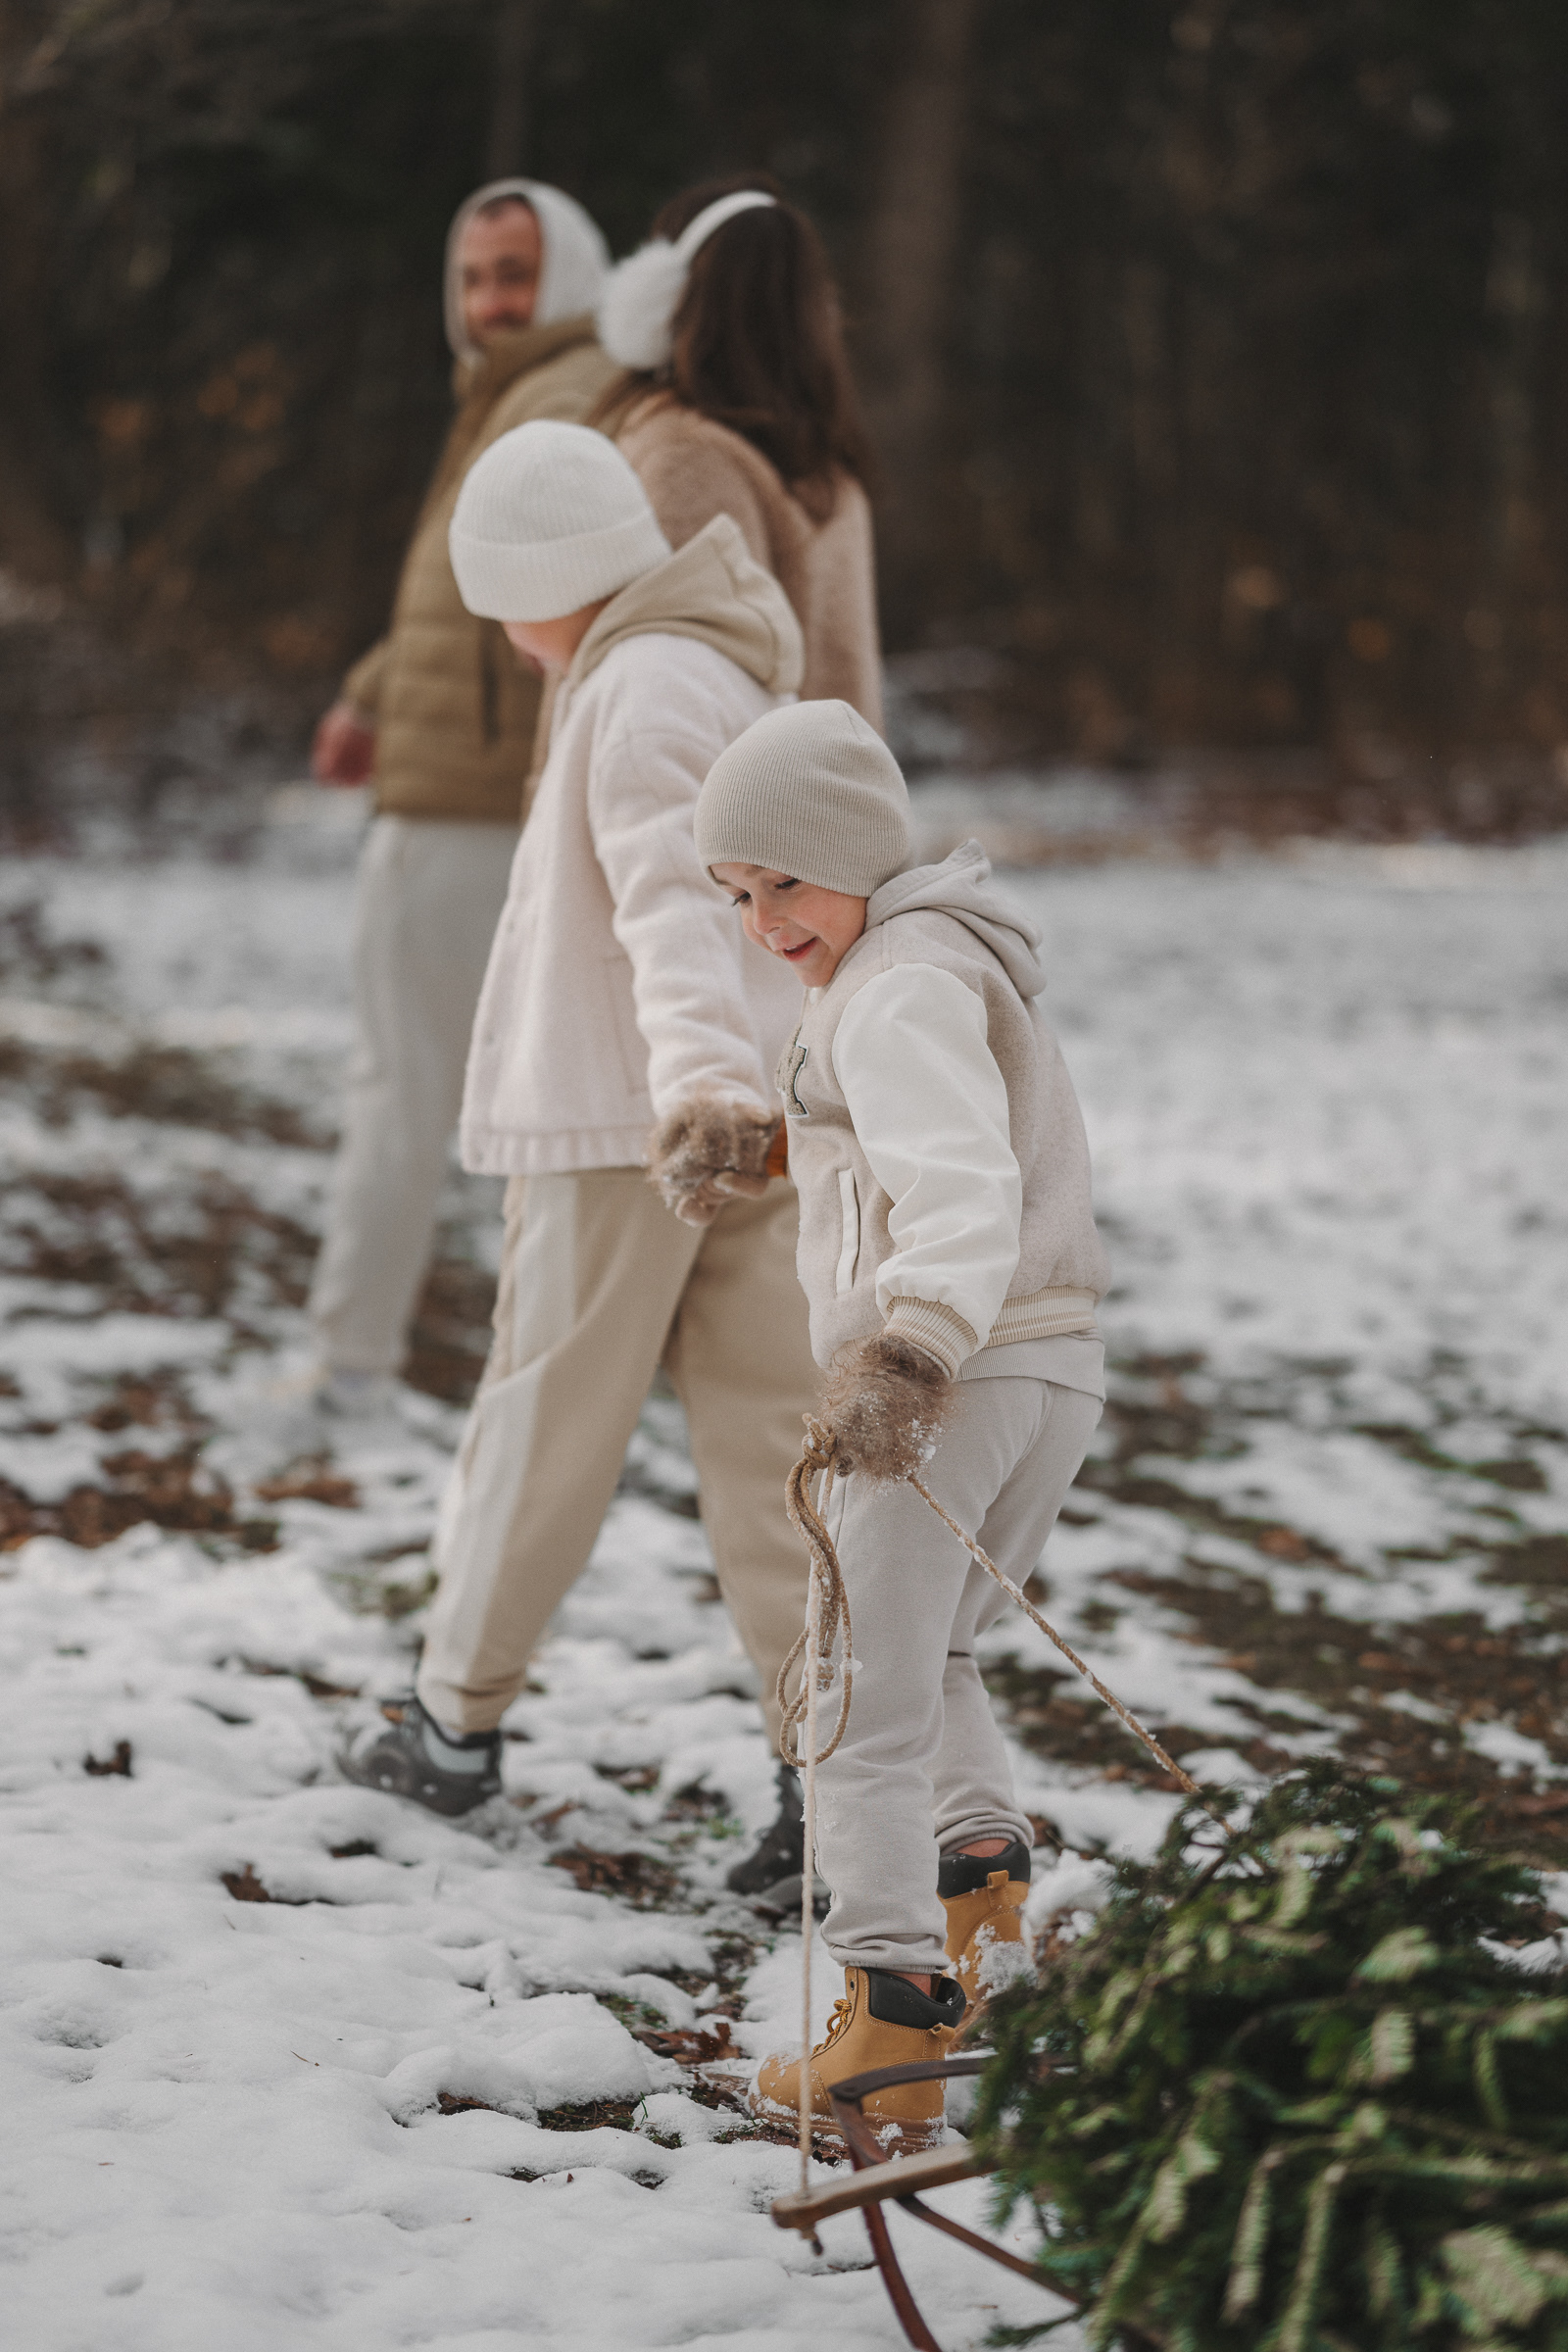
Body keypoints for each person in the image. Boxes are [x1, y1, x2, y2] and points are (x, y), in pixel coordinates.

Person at [342, 421, 817, 1837]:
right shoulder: (718, 664)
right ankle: (831, 1769)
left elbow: (675, 903)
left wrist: (700, 1088)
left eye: (507, 611)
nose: (510, 644)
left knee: (541, 1426)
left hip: (641, 1128)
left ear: (549, 581)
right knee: (783, 1452)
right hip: (758, 1113)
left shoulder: (639, 685)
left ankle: (451, 1723)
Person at [676, 698, 1111, 2155]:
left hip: (950, 1372)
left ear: (856, 850)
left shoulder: (898, 983)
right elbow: (896, 1139)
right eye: (736, 894)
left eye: (784, 881)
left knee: (850, 1696)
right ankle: (984, 1930)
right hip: (1047, 1368)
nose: (763, 923)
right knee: (937, 1656)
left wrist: (908, 1352)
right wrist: (766, 1145)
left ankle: (889, 2024)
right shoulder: (926, 959)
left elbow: (956, 1186)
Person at [306, 180, 616, 1415]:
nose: (491, 302)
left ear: (576, 276)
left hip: (472, 803)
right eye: (475, 276)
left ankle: (353, 1365)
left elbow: (531, 590)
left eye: (517, 274)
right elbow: (456, 594)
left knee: (409, 1089)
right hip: (458, 783)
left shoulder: (568, 393)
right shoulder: (509, 390)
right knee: (462, 1093)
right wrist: (372, 693)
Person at [595, 173, 882, 728]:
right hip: (825, 782)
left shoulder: (688, 460)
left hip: (725, 785)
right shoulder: (826, 468)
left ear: (662, 297)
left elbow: (676, 701)